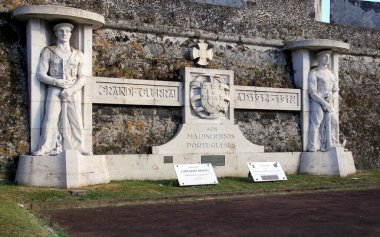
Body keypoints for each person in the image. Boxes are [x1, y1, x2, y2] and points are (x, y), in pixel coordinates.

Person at [33, 23, 91, 156]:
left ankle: (79, 146)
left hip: (72, 90)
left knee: (76, 119)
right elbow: (40, 74)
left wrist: (70, 90)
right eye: (61, 31)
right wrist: (56, 81)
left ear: (71, 34)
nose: (64, 34)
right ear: (56, 34)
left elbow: (82, 78)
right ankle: (45, 146)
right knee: (50, 118)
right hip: (54, 89)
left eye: (67, 31)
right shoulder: (49, 51)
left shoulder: (78, 54)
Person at [307, 51, 340, 152]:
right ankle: (312, 147)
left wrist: (331, 98)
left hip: (329, 102)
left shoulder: (332, 73)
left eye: (329, 57)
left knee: (335, 121)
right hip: (317, 101)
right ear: (319, 58)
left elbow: (336, 91)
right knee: (316, 123)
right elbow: (312, 92)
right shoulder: (314, 72)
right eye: (325, 57)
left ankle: (333, 142)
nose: (327, 59)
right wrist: (323, 102)